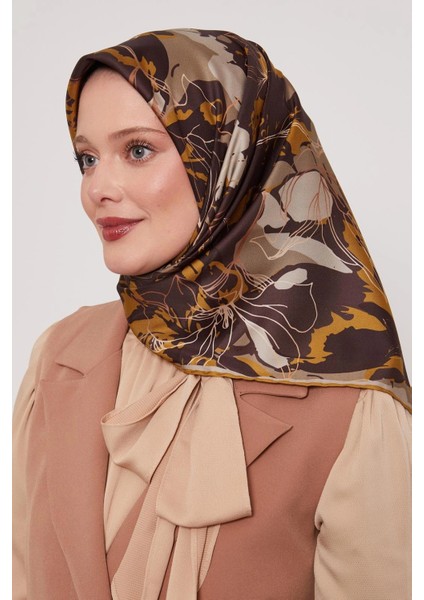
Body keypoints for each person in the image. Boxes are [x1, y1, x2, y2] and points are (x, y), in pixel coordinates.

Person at [13, 29, 412, 600]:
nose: (98, 186)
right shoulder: (58, 355)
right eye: (87, 158)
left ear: (233, 159)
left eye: (138, 150)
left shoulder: (350, 401)